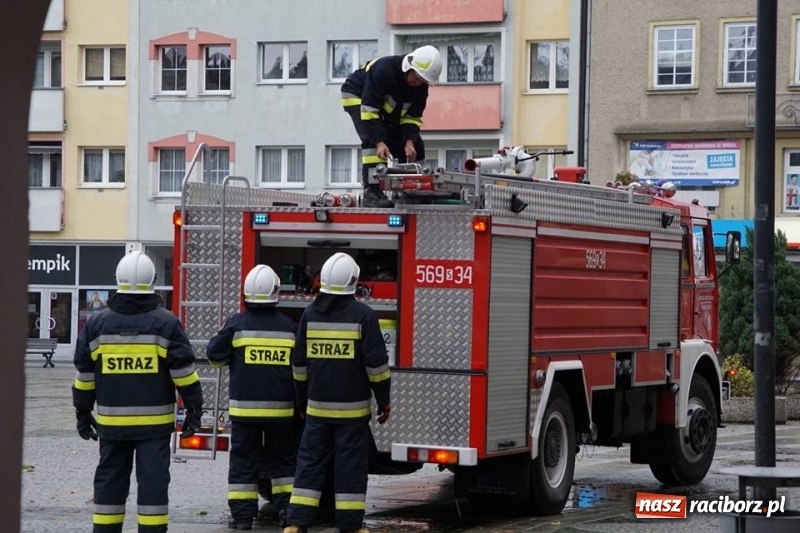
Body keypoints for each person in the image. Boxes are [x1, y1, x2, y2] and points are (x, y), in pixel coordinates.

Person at [71, 250, 204, 533]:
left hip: (112, 427)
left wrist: (83, 412)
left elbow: (84, 375)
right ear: (152, 281)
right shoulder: (166, 323)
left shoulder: (97, 325)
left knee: (109, 482)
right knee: (153, 486)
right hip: (153, 428)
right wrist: (194, 409)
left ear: (117, 280)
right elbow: (183, 373)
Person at [283, 252, 392, 533]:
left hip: (317, 410)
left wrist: (301, 401)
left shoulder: (309, 314)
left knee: (309, 464)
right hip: (352, 412)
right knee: (350, 467)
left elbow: (299, 364)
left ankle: (296, 523)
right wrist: (384, 400)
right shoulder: (364, 316)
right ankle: (350, 525)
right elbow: (376, 366)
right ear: (353, 282)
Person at [207, 264, 299, 531]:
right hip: (282, 412)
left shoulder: (236, 324)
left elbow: (215, 357)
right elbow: (300, 368)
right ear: (276, 292)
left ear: (247, 293)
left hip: (245, 412)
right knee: (283, 460)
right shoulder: (289, 327)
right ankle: (286, 510)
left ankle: (243, 517)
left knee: (244, 461)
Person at [341, 45, 442, 208]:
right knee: (372, 142)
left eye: (422, 81)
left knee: (417, 145)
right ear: (408, 67)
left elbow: (412, 117)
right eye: (416, 78)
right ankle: (371, 192)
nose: (417, 83)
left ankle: (415, 189)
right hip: (357, 96)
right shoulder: (384, 70)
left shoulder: (420, 87)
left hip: (382, 110)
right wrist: (380, 142)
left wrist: (409, 142)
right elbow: (369, 111)